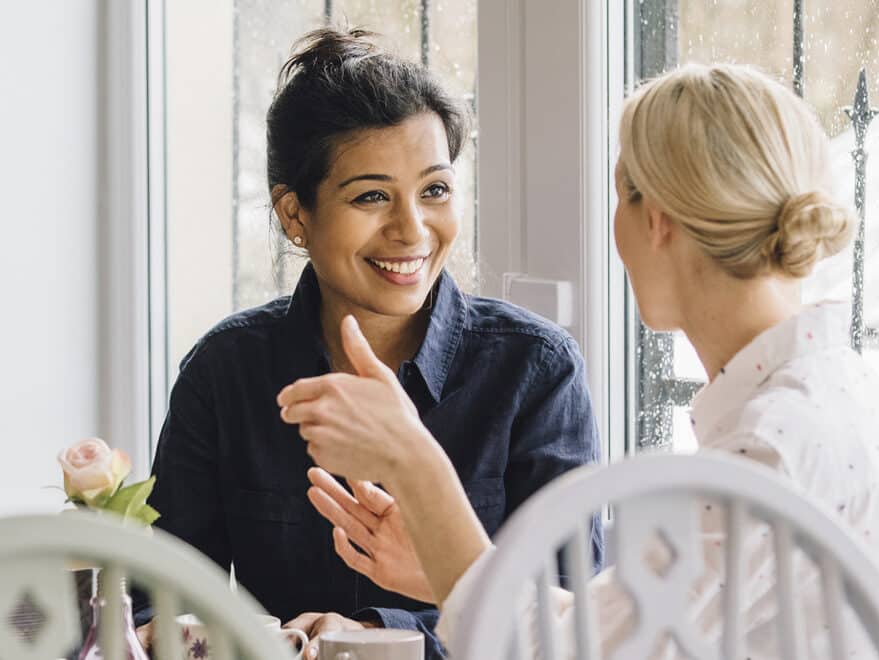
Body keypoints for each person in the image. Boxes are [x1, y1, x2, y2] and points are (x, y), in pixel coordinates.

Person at [282, 63, 879, 657]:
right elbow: (626, 631)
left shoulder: (770, 449)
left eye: (619, 194)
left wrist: (413, 458)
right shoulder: (830, 399)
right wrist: (442, 564)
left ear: (655, 218)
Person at [137, 28, 603, 660]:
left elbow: (575, 611)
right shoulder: (227, 370)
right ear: (294, 215)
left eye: (434, 190)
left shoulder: (535, 370)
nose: (412, 229)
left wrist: (386, 634)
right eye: (372, 196)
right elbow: (157, 593)